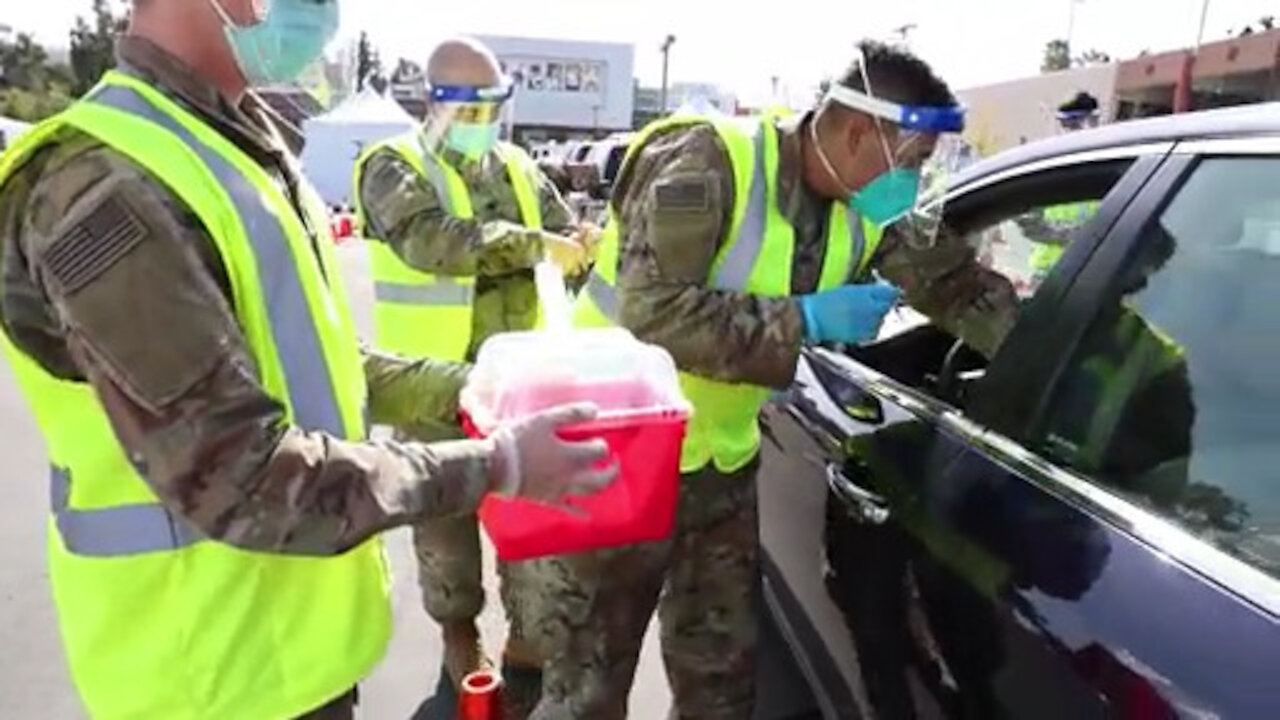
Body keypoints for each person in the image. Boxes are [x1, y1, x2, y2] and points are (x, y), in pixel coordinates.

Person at [0, 2, 615, 718]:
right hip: (210, 679)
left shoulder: (232, 147)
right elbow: (240, 474)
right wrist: (501, 464)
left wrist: (479, 387)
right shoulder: (107, 183)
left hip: (289, 656)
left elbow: (315, 362)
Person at [525, 40, 1020, 719]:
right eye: (913, 162)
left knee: (721, 682)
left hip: (720, 465)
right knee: (588, 687)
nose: (914, 181)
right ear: (855, 132)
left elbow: (957, 286)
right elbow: (652, 312)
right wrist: (804, 320)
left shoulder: (866, 208)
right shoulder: (708, 161)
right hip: (614, 456)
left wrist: (1106, 357)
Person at [351, 35, 595, 706]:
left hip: (520, 390)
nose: (486, 119)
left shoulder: (516, 166)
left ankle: (525, 644)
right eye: (471, 105)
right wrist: (533, 244)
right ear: (434, 101)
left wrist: (581, 242)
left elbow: (564, 228)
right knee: (446, 540)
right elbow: (431, 241)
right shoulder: (391, 166)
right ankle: (460, 638)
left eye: (496, 104)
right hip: (431, 390)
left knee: (534, 532)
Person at [1021, 91, 1104, 284]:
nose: (1072, 131)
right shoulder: (1049, 167)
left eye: (1080, 124)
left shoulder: (1105, 166)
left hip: (1092, 274)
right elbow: (1027, 221)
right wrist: (1071, 236)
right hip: (1049, 273)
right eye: (1068, 125)